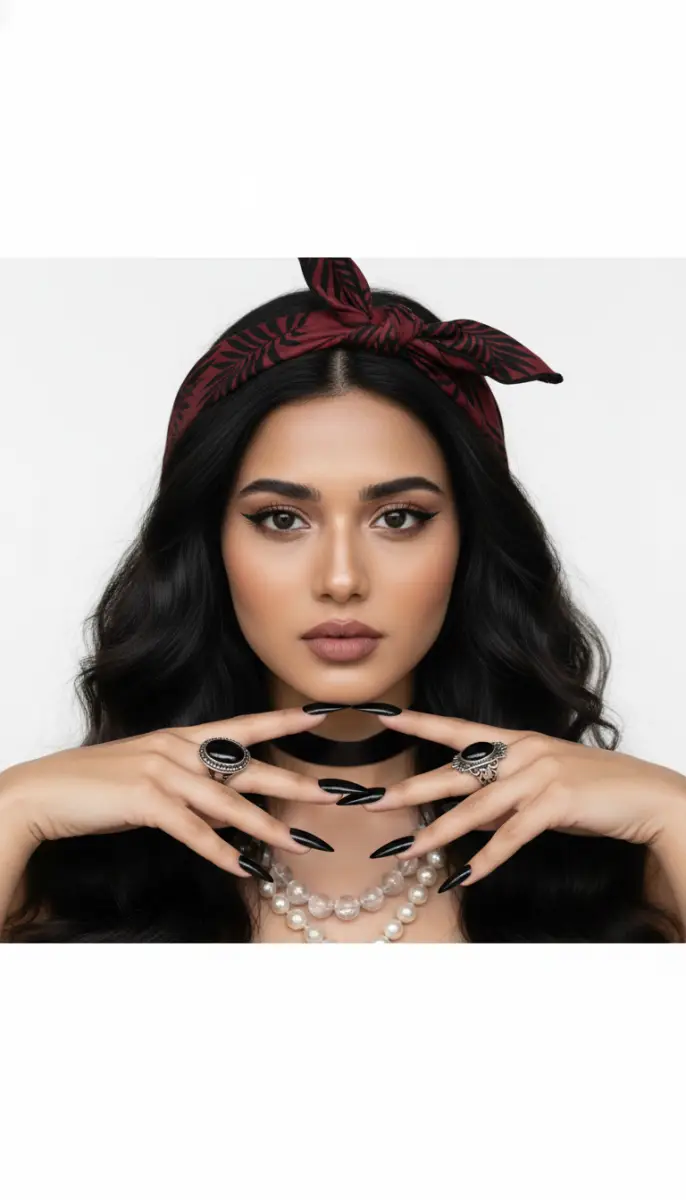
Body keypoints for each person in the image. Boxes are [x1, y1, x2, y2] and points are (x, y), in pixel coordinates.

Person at [1, 257, 685, 943]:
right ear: (208, 546)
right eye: (281, 519)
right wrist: (13, 807)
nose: (340, 578)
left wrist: (675, 812)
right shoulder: (56, 859)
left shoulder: (628, 858)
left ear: (471, 541)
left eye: (398, 517)